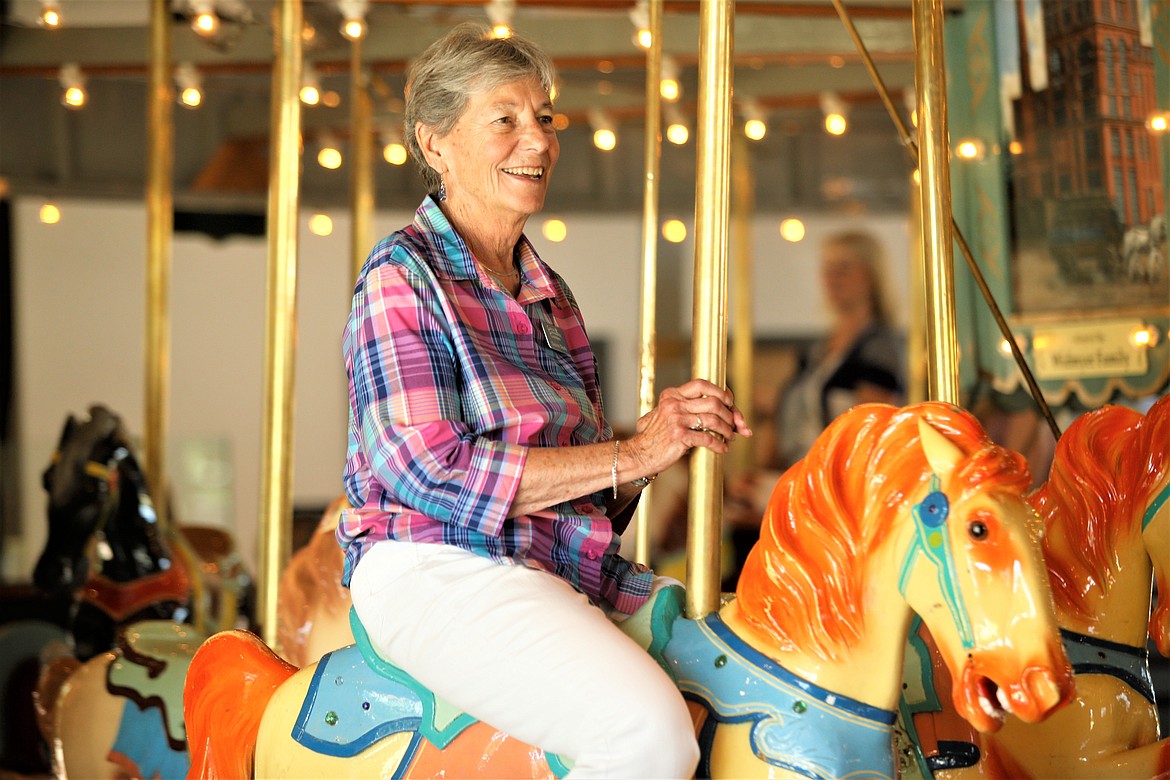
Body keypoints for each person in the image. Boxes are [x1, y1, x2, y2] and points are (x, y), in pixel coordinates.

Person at [337, 23, 750, 779]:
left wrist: (662, 441)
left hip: (550, 569)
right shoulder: (402, 278)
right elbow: (429, 472)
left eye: (544, 118)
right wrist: (633, 451)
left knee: (746, 680)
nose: (539, 140)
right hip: (435, 567)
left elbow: (590, 497)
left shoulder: (550, 296)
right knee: (646, 731)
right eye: (506, 120)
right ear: (436, 145)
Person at [774, 230, 905, 469]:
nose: (832, 278)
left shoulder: (879, 347)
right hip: (805, 467)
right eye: (827, 269)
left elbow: (874, 422)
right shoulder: (819, 349)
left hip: (844, 472)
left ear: (871, 276)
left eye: (844, 268)